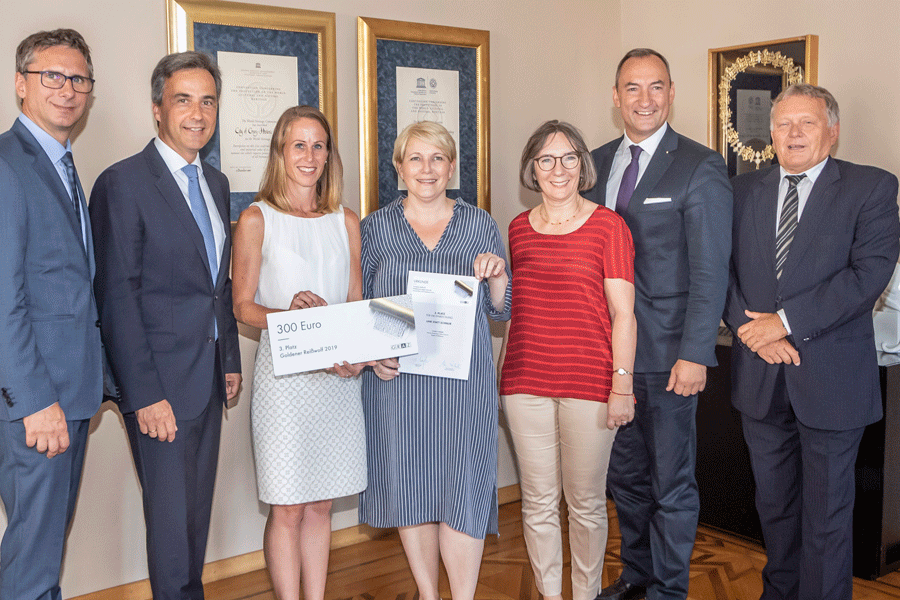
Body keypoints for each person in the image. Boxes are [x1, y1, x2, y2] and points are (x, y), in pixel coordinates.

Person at [724, 83, 900, 600]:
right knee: (774, 509)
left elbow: (868, 276)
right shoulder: (740, 191)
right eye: (783, 124)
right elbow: (718, 274)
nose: (794, 134)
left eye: (807, 123)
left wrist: (783, 321)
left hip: (833, 380)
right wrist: (749, 330)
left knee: (826, 518)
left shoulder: (871, 188)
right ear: (770, 133)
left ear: (833, 131)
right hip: (760, 377)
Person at [89, 51, 242, 600]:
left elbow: (214, 286)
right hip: (157, 388)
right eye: (183, 100)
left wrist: (229, 361)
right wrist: (144, 394)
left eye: (208, 101)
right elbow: (116, 299)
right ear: (158, 109)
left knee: (193, 522)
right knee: (172, 530)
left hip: (205, 379)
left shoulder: (217, 183)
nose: (197, 113)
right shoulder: (122, 183)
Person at [584, 48, 732, 600]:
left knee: (672, 485)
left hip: (671, 356)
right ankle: (637, 576)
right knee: (625, 481)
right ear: (616, 96)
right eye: (631, 88)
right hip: (609, 358)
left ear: (671, 94)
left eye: (655, 87)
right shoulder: (594, 163)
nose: (643, 99)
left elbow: (712, 269)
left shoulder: (700, 164)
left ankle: (670, 590)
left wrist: (696, 352)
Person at [359, 121, 511, 600]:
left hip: (463, 385)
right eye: (415, 159)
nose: (427, 169)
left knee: (464, 488)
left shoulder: (478, 224)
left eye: (437, 158)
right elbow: (359, 307)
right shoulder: (374, 229)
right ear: (399, 168)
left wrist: (496, 275)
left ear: (451, 167)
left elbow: (502, 307)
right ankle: (427, 593)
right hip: (398, 385)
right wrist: (372, 354)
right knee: (412, 486)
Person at [231, 105, 366, 600]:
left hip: (336, 378)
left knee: (322, 504)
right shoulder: (255, 218)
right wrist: (289, 316)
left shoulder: (346, 220)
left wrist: (356, 353)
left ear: (330, 154)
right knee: (287, 505)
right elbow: (242, 306)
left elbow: (354, 302)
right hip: (285, 382)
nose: (310, 156)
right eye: (299, 145)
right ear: (280, 152)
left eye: (319, 145)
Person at [499, 120, 636, 600]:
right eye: (546, 160)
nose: (558, 169)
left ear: (583, 165)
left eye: (568, 158)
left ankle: (585, 595)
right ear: (532, 170)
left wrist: (622, 386)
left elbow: (623, 314)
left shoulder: (608, 226)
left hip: (590, 384)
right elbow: (517, 307)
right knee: (536, 503)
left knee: (586, 505)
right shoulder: (517, 229)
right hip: (524, 381)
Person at [0, 28, 103, 600]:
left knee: (40, 549)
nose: (67, 90)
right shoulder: (7, 165)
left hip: (72, 394)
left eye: (79, 80)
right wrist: (34, 402)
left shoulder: (60, 164)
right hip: (37, 402)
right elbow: (3, 297)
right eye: (52, 77)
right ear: (22, 84)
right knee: (33, 557)